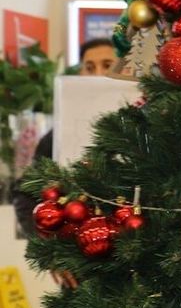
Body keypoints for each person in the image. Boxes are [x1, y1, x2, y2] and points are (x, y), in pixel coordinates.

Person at [15, 39, 119, 239]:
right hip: (74, 246)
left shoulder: (142, 126)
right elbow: (26, 190)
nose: (98, 74)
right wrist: (46, 242)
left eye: (107, 65)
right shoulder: (60, 133)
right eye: (89, 68)